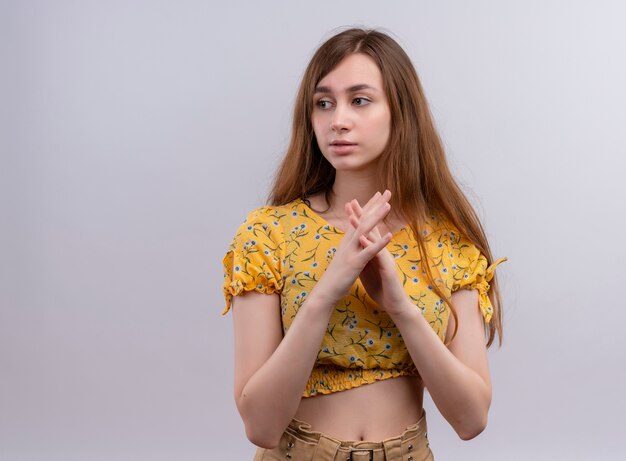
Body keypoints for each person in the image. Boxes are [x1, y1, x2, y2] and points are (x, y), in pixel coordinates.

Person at [221, 27, 507, 461]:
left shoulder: (449, 243)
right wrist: (328, 289)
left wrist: (400, 307)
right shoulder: (268, 236)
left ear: (401, 111)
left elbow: (471, 420)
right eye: (323, 103)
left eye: (359, 100)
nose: (338, 119)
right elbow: (259, 425)